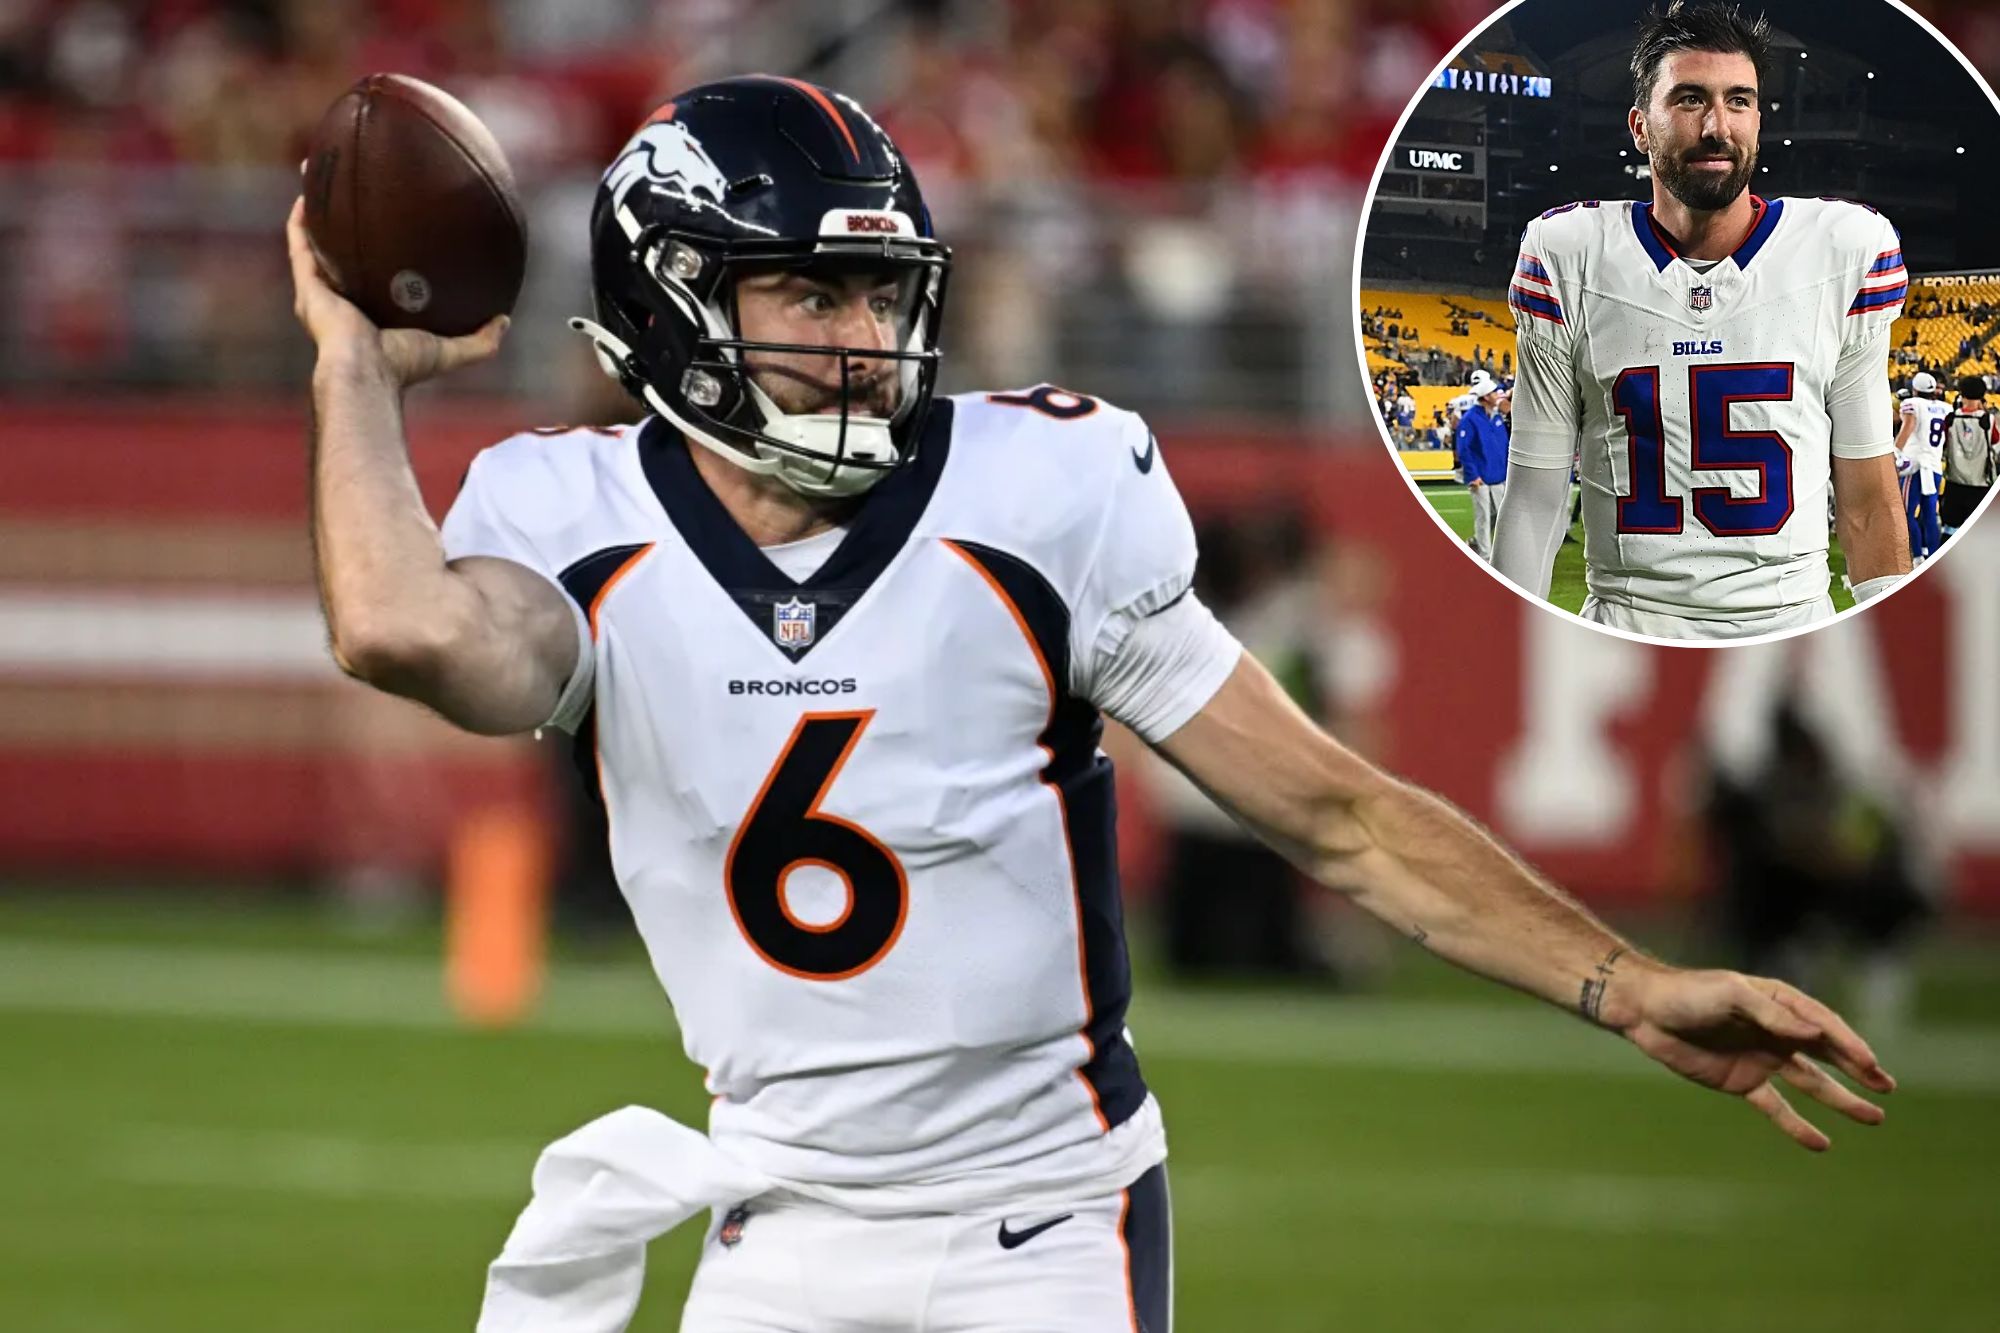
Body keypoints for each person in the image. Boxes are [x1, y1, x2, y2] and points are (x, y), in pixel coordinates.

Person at [286, 75, 1895, 1333]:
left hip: (1041, 1222)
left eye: (879, 296)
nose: (867, 343)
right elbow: (392, 629)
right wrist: (352, 363)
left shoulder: (1033, 489)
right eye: (811, 299)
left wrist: (1627, 983)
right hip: (772, 1217)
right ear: (674, 304)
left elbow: (1335, 815)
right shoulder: (570, 514)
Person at [1492, 1, 1912, 638]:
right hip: (1628, 631)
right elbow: (1535, 495)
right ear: (1641, 124)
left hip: (1790, 627)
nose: (1718, 125)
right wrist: (1505, 643)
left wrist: (1898, 646)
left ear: (1758, 119)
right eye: (1690, 99)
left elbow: (1867, 500)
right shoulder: (1568, 253)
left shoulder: (1843, 250)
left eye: (1738, 100)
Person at [1893, 370, 1949, 561]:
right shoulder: (1945, 408)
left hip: (1914, 466)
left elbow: (1907, 427)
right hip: (1934, 466)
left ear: (1915, 389)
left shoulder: (1913, 404)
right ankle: (1933, 557)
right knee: (1930, 516)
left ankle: (1917, 557)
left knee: (1906, 514)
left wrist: (1896, 452)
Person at [1457, 368, 1511, 560]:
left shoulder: (1495, 417)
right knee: (1484, 518)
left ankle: (1479, 546)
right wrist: (1472, 475)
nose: (1497, 394)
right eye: (1494, 392)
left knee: (1498, 515)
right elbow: (1465, 449)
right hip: (1481, 478)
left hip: (1498, 475)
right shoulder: (1470, 419)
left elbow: (1503, 445)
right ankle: (1486, 557)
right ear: (1486, 397)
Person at [1940, 374, 1999, 536]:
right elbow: (1996, 445)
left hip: (1955, 481)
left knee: (1950, 529)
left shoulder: (1950, 419)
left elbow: (1943, 446)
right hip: (1980, 483)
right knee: (1980, 533)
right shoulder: (1990, 420)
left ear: (1961, 393)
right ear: (1982, 395)